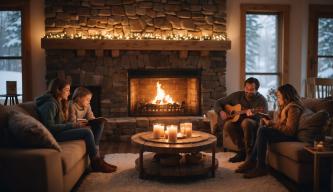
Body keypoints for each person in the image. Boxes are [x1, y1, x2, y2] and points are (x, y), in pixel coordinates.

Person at [36, 78, 116, 173]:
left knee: (96, 125)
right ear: (58, 89)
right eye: (67, 90)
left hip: (60, 131)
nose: (69, 93)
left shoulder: (58, 102)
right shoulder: (50, 104)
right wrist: (73, 125)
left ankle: (97, 159)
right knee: (87, 132)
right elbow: (49, 128)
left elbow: (62, 122)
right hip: (55, 135)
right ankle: (96, 163)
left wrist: (74, 124)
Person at [236, 84, 304, 178]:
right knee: (262, 129)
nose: (278, 99)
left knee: (263, 130)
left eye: (279, 96)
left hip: (289, 136)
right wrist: (269, 120)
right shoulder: (285, 106)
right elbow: (281, 124)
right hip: (283, 133)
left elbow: (290, 130)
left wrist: (271, 124)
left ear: (286, 96)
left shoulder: (293, 108)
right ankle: (252, 161)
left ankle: (260, 166)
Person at [214, 77, 268, 163]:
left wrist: (253, 115)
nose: (248, 91)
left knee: (246, 122)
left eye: (251, 89)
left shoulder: (262, 100)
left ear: (257, 89)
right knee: (228, 124)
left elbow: (264, 117)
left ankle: (250, 155)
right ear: (244, 87)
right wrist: (220, 111)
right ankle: (242, 151)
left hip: (254, 125)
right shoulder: (237, 95)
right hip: (238, 123)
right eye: (247, 89)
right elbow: (218, 102)